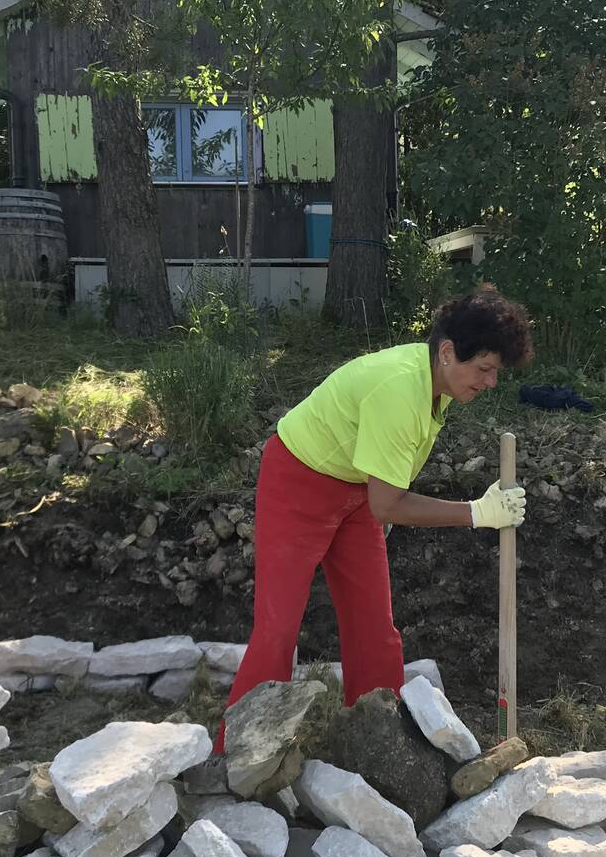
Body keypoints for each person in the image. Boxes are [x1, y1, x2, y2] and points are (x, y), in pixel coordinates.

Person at [213, 287, 533, 750]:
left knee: (373, 627)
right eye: (483, 369)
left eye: (495, 372)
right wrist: (476, 513)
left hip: (356, 489)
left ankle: (380, 742)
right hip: (299, 479)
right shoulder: (400, 389)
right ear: (447, 352)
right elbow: (389, 505)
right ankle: (237, 753)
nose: (490, 383)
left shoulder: (436, 384)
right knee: (278, 628)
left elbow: (381, 492)